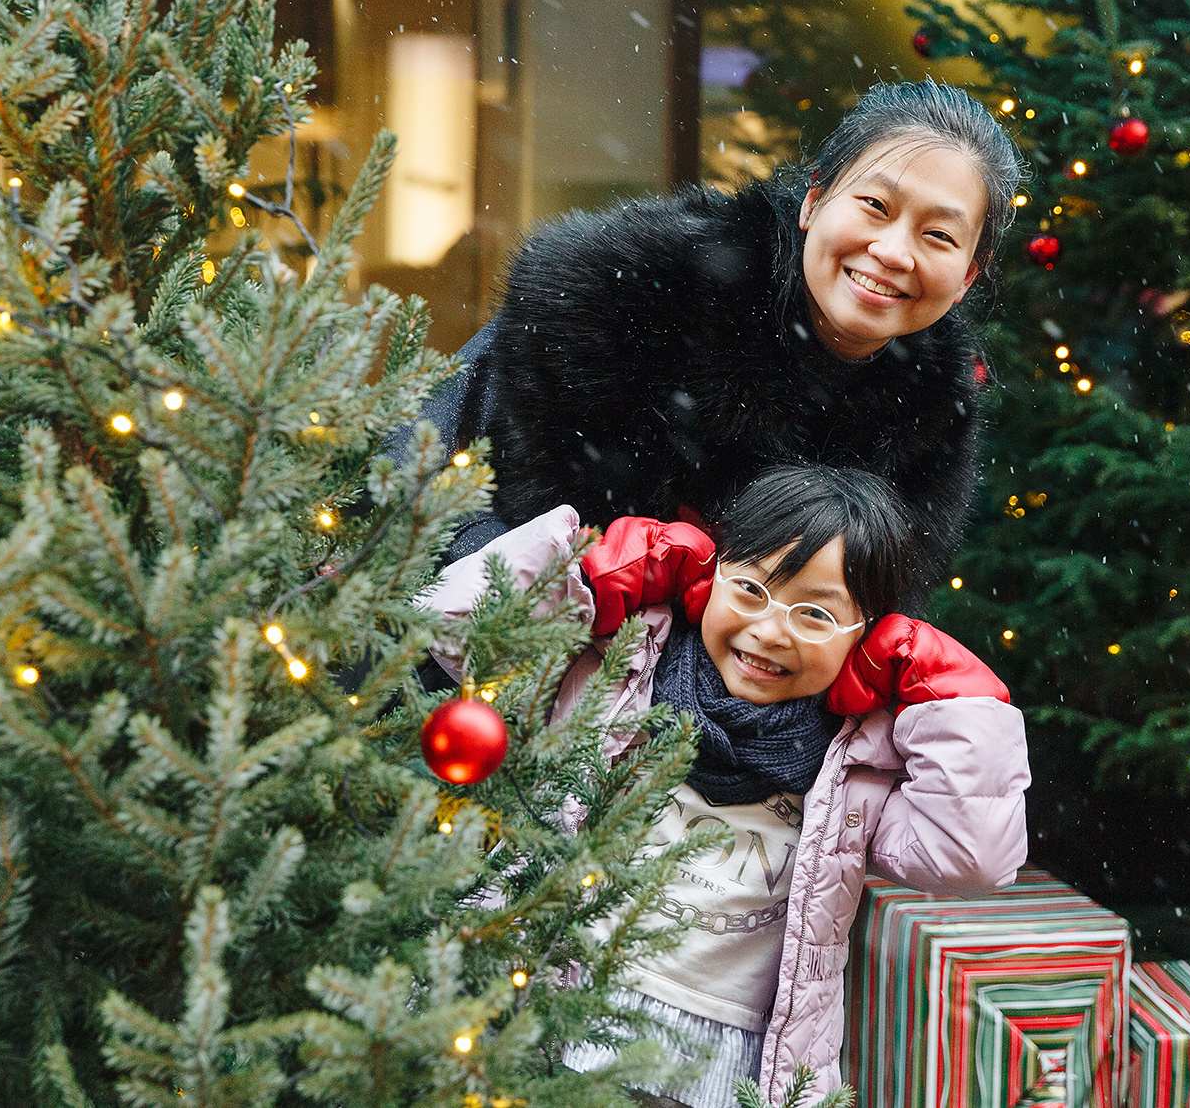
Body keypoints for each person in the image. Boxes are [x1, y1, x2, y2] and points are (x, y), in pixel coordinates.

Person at [420, 465, 1030, 1108]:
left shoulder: (861, 762)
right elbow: (460, 628)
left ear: (867, 637)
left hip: (720, 1061)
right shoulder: (625, 661)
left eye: (817, 614)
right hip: (542, 993)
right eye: (750, 589)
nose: (769, 631)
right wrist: (593, 572)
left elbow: (973, 858)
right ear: (708, 578)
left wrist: (952, 692)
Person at [420, 80, 1022, 596]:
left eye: (939, 235)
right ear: (815, 200)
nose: (892, 252)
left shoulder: (931, 413)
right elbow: (421, 487)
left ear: (968, 275)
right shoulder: (621, 295)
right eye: (873, 204)